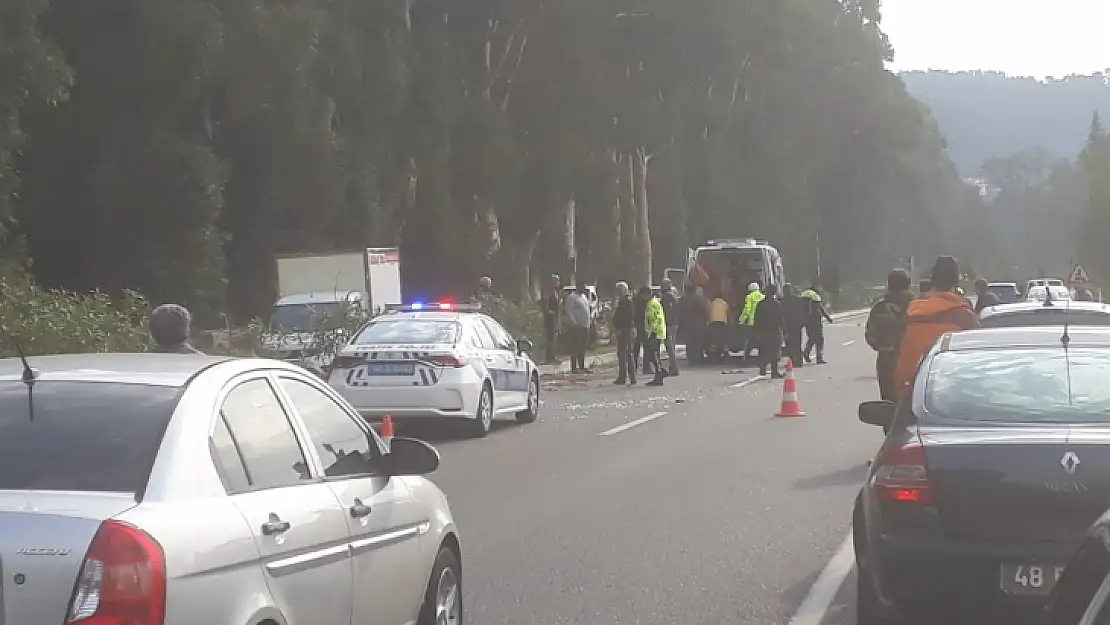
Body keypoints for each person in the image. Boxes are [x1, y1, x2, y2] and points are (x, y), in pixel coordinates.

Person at [893, 256, 980, 400]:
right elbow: (977, 366)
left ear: (932, 280)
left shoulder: (911, 313)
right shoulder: (964, 317)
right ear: (956, 282)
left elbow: (899, 362)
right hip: (953, 395)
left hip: (913, 393)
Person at [865, 269, 914, 401]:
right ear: (908, 284)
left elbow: (870, 335)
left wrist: (886, 348)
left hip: (888, 362)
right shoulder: (917, 305)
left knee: (888, 406)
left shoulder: (880, 307)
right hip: (914, 362)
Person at [754, 284, 786, 378]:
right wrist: (785, 331)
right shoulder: (777, 304)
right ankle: (774, 372)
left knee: (763, 350)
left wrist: (757, 331)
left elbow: (756, 319)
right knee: (775, 352)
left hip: (763, 331)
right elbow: (781, 319)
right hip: (774, 331)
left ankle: (762, 367)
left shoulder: (760, 304)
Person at [639, 286, 667, 386]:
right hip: (656, 332)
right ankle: (660, 372)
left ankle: (659, 375)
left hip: (655, 333)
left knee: (654, 355)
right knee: (654, 355)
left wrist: (651, 332)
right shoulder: (653, 302)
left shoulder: (652, 304)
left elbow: (655, 319)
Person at [563, 283, 592, 374]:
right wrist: (574, 322)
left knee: (583, 347)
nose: (584, 289)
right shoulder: (572, 297)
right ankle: (574, 368)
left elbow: (587, 308)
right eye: (582, 287)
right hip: (577, 326)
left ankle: (582, 366)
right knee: (576, 346)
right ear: (578, 287)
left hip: (585, 325)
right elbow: (568, 310)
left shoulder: (583, 297)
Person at [612, 281, 637, 385]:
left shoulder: (625, 302)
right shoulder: (626, 301)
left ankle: (623, 377)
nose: (618, 292)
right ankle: (632, 377)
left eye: (620, 290)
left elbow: (625, 317)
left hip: (625, 330)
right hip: (626, 329)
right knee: (628, 354)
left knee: (623, 354)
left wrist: (621, 329)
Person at [801, 284, 833, 364]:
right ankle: (819, 357)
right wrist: (829, 319)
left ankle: (806, 352)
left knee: (811, 338)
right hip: (816, 322)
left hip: (808, 322)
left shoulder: (803, 301)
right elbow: (822, 310)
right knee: (819, 340)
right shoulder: (816, 300)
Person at [781, 283, 809, 368]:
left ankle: (794, 361)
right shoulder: (797, 300)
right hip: (795, 326)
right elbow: (804, 312)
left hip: (789, 326)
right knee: (796, 344)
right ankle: (798, 361)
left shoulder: (782, 301)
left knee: (790, 344)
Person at [680, 284, 709, 364]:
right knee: (697, 342)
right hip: (698, 324)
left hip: (686, 324)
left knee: (689, 343)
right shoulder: (698, 300)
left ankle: (691, 359)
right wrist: (706, 319)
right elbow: (704, 311)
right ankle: (697, 359)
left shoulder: (683, 299)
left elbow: (680, 312)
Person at [659, 278, 680, 376]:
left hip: (668, 324)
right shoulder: (674, 295)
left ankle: (674, 368)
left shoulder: (666, 297)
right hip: (674, 323)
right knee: (672, 346)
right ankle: (672, 367)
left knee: (669, 347)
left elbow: (664, 311)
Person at [739, 282, 764, 362]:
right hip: (761, 323)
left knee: (749, 341)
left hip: (752, 323)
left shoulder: (749, 297)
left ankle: (745, 359)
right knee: (761, 341)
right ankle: (761, 358)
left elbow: (747, 310)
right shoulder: (763, 297)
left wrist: (741, 320)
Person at [541, 274, 561, 364]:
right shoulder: (548, 290)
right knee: (551, 337)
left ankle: (553, 356)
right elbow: (545, 302)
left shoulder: (555, 291)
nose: (558, 282)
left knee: (554, 337)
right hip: (550, 317)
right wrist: (548, 311)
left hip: (555, 317)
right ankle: (549, 358)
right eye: (557, 281)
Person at [706, 290, 730, 361]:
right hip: (722, 323)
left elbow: (708, 313)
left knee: (713, 340)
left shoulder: (712, 303)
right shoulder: (725, 303)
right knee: (723, 339)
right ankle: (725, 353)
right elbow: (728, 313)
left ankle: (714, 355)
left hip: (713, 323)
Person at [632, 287, 650, 375]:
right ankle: (646, 367)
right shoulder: (643, 302)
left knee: (636, 348)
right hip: (642, 326)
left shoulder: (634, 301)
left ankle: (634, 367)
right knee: (647, 347)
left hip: (636, 325)